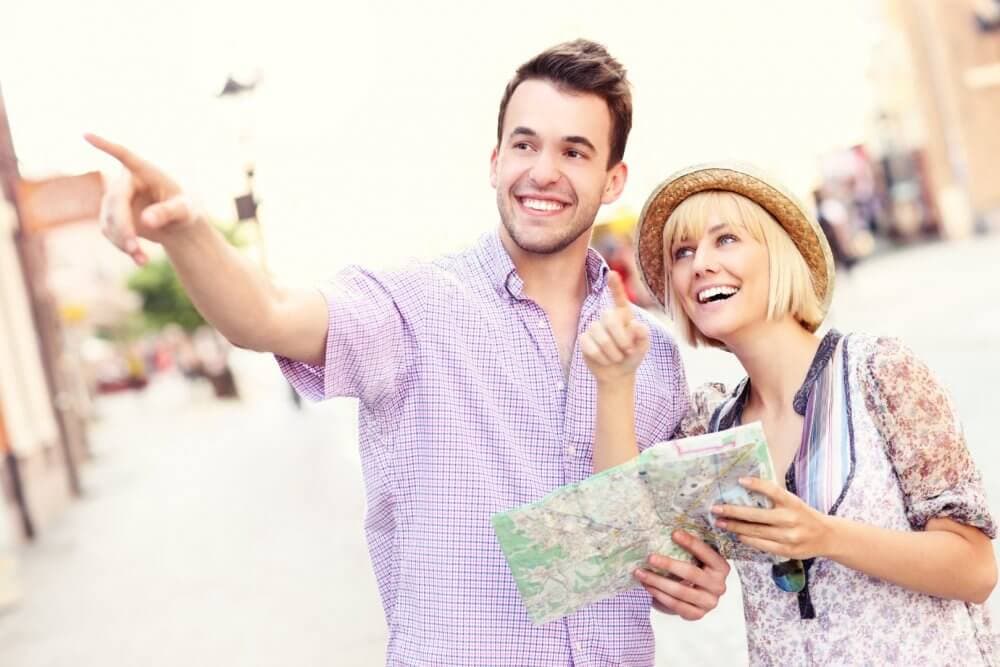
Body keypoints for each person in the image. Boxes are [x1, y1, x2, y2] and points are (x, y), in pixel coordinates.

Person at [87, 41, 730, 666]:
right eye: (525, 143)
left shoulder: (659, 355)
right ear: (495, 159)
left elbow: (639, 547)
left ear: (613, 179)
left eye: (575, 151)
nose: (543, 171)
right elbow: (266, 315)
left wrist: (687, 584)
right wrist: (186, 229)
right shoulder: (410, 308)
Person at [581, 162, 997, 665]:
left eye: (726, 239)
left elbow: (974, 569)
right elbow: (622, 533)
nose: (700, 264)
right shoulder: (710, 424)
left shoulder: (877, 371)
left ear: (779, 254)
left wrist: (826, 536)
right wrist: (614, 381)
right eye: (683, 252)